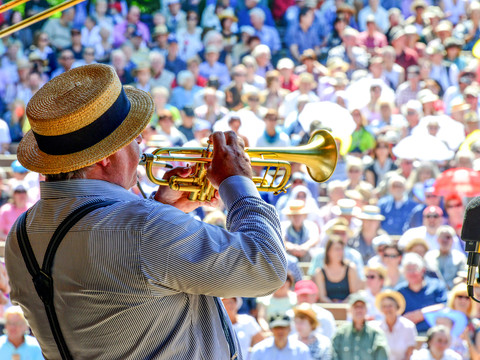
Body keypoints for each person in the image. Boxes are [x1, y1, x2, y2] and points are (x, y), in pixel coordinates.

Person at [4, 64, 288, 359]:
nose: (142, 147)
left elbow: (117, 284)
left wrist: (160, 209)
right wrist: (237, 179)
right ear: (105, 157)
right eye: (135, 138)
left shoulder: (20, 234)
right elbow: (267, 266)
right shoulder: (143, 227)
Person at [331, 292, 389, 360]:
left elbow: (382, 356)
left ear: (366, 310)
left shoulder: (376, 334)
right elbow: (333, 355)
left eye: (362, 307)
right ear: (349, 310)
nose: (359, 310)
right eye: (356, 307)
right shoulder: (340, 334)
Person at [314, 236, 363, 303]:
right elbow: (322, 296)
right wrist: (334, 306)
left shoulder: (351, 268)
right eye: (337, 249)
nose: (340, 252)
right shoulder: (320, 272)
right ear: (328, 251)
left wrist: (341, 305)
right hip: (328, 309)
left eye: (341, 249)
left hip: (347, 308)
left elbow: (353, 294)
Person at [373, 289, 417, 360]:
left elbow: (409, 354)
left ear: (397, 307)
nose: (387, 309)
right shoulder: (376, 328)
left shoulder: (408, 326)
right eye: (384, 306)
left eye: (390, 306)